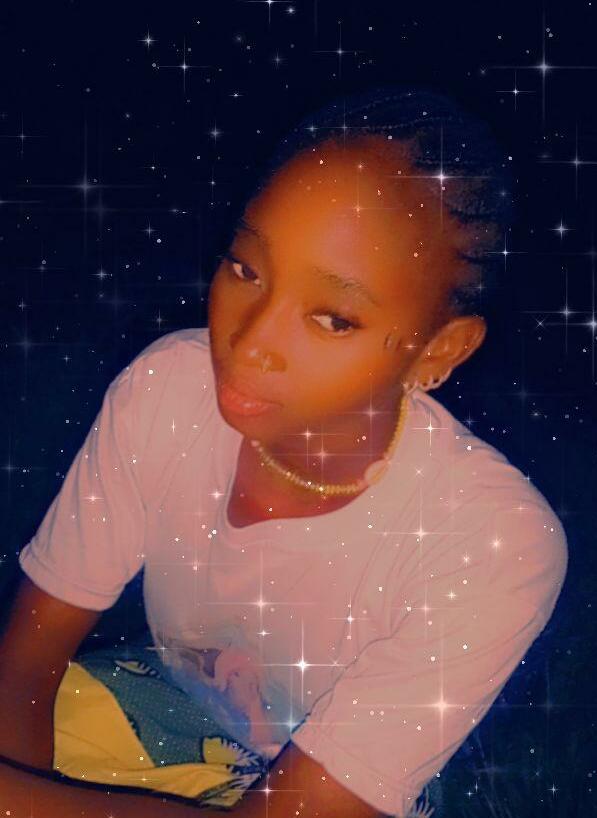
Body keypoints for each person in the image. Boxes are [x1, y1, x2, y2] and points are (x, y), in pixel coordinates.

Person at [0, 85, 568, 817]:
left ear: (438, 350)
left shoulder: (490, 544)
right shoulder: (167, 392)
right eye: (246, 269)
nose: (251, 342)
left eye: (332, 318)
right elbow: (26, 663)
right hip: (161, 706)